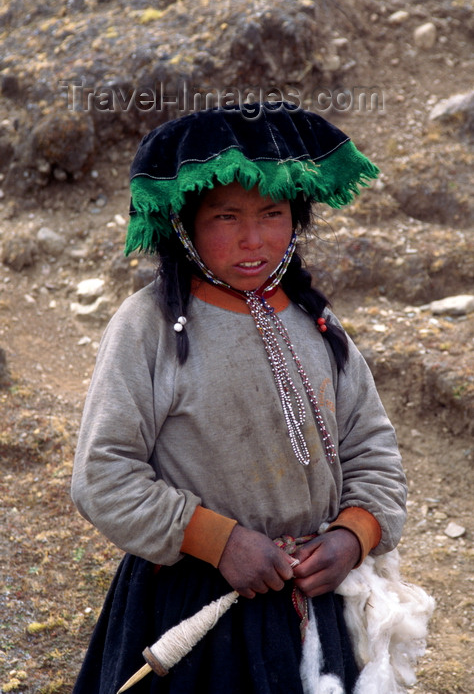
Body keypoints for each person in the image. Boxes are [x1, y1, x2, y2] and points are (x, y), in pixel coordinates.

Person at [71, 102, 407, 694]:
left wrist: (354, 534)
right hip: (194, 607)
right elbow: (103, 475)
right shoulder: (147, 327)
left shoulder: (315, 323)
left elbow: (372, 447)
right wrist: (218, 540)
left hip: (314, 602)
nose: (254, 239)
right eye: (226, 216)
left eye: (273, 213)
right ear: (184, 225)